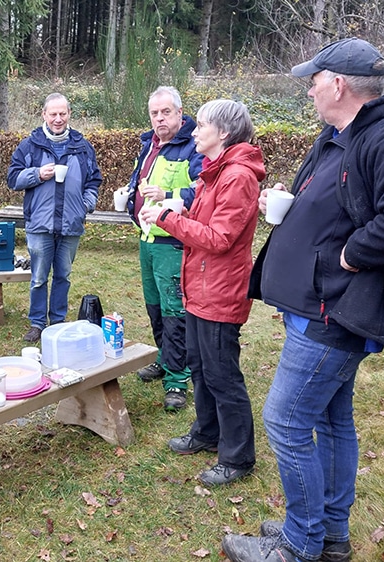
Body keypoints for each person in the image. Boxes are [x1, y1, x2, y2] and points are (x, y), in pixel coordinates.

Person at [221, 38, 384, 562]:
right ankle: (328, 534)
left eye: (313, 81)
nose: (309, 90)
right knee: (329, 420)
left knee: (285, 419)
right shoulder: (343, 134)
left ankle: (300, 544)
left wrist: (353, 252)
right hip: (315, 304)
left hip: (337, 311)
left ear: (339, 84)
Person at [139, 99, 264, 485]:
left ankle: (238, 457)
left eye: (202, 125)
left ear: (223, 133)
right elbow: (204, 219)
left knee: (222, 373)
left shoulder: (238, 176)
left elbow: (220, 237)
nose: (194, 131)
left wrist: (167, 219)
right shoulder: (215, 171)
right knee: (200, 364)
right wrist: (177, 213)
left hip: (220, 290)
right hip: (200, 285)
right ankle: (208, 432)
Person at [118, 86, 203, 411]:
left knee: (174, 312)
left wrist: (168, 194)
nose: (159, 119)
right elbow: (139, 181)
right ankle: (165, 358)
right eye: (154, 113)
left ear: (180, 113)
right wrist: (128, 193)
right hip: (147, 240)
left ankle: (177, 380)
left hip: (173, 244)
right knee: (154, 308)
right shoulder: (149, 145)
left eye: (166, 112)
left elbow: (203, 189)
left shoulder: (194, 145)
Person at [7, 93, 102, 343]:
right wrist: (37, 174)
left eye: (63, 114)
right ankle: (38, 323)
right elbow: (13, 179)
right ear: (44, 115)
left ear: (69, 114)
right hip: (40, 224)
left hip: (71, 223)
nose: (58, 119)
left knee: (63, 276)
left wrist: (87, 204)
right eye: (53, 114)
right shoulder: (30, 145)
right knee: (39, 278)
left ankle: (57, 322)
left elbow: (94, 179)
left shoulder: (82, 146)